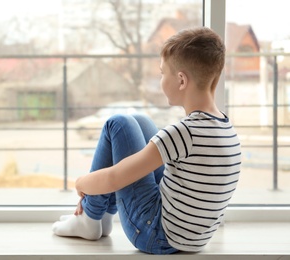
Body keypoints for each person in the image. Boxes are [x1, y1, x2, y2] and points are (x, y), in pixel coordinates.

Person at [52, 27, 241, 254]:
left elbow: (114, 178)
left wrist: (81, 182)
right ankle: (100, 219)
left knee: (119, 123)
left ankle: (89, 217)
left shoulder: (184, 132)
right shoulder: (226, 128)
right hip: (193, 239)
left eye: (162, 73)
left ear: (181, 80)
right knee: (141, 122)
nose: (160, 80)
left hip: (155, 235)